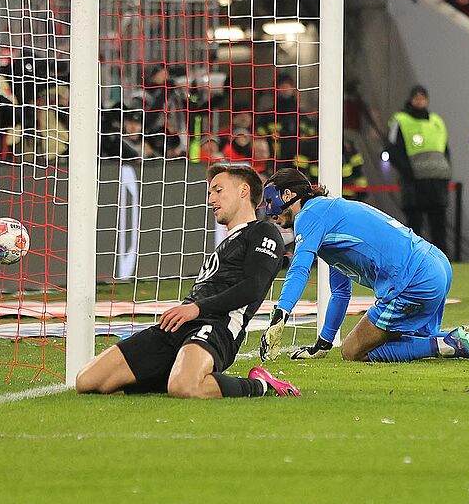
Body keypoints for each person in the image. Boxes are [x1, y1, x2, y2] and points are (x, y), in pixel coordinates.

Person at [258, 168, 469, 364]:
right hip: (435, 264)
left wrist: (281, 314)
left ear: (288, 194)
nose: (268, 210)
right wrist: (323, 343)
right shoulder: (329, 214)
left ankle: (451, 346)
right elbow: (341, 291)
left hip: (413, 280)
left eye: (270, 201)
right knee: (416, 339)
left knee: (353, 350)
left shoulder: (308, 216)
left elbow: (299, 268)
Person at [75, 164, 300, 398]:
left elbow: (253, 287)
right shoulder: (226, 244)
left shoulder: (263, 232)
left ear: (243, 191)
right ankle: (168, 376)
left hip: (217, 327)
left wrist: (196, 308)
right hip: (178, 325)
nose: (211, 199)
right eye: (210, 193)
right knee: (88, 380)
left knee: (185, 387)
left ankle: (261, 385)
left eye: (218, 190)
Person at [385, 85, 452, 254]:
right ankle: (413, 260)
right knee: (415, 225)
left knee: (439, 225)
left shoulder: (436, 121)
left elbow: (445, 150)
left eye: (423, 98)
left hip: (437, 179)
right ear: (411, 99)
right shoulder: (401, 120)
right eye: (417, 97)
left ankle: (441, 259)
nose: (420, 101)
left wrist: (447, 171)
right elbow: (392, 149)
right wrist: (408, 172)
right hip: (414, 182)